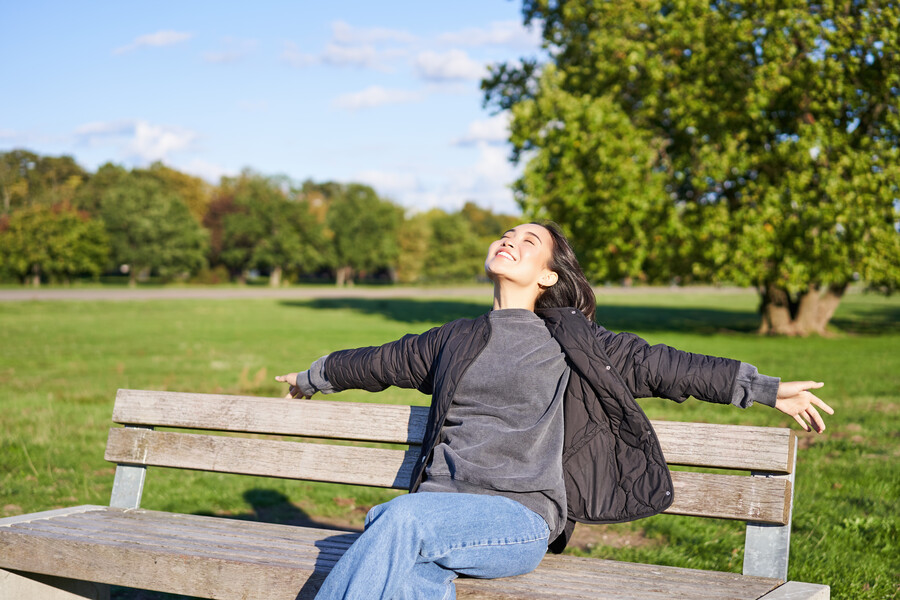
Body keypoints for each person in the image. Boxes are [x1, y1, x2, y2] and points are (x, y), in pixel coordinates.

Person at [276, 222, 833, 600]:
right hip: (435, 516)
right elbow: (377, 362)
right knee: (412, 567)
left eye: (527, 240)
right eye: (505, 235)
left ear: (548, 276)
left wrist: (765, 389)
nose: (508, 240)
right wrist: (311, 377)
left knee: (393, 521)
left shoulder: (574, 342)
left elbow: (668, 366)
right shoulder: (456, 339)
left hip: (516, 520)